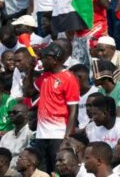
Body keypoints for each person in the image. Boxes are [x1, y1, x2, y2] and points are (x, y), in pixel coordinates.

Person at [24, 43, 80, 173]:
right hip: (42, 134)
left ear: (54, 60)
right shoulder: (45, 76)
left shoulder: (69, 78)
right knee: (43, 171)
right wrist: (31, 70)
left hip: (58, 133)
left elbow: (73, 110)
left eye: (44, 58)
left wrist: (66, 138)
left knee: (57, 171)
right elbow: (28, 92)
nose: (41, 61)